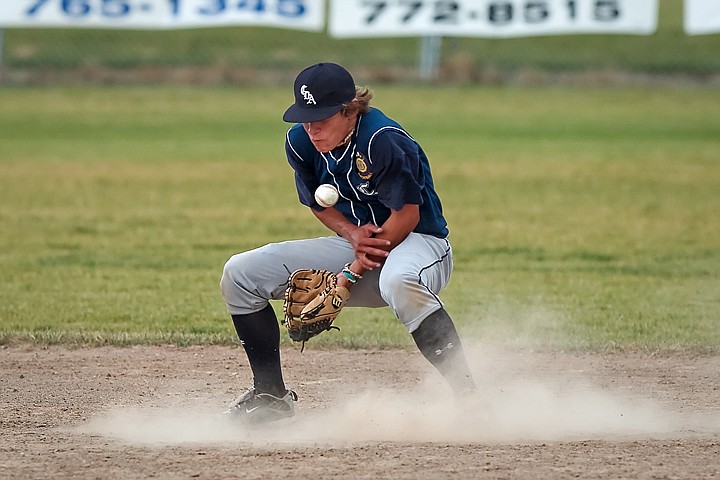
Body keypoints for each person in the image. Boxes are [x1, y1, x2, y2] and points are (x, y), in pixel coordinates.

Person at [220, 62, 476, 424]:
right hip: (358, 244)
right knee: (240, 273)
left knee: (399, 281)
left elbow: (406, 216)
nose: (312, 128)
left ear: (349, 108)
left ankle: (469, 398)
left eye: (321, 118)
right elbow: (315, 202)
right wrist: (352, 234)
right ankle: (269, 395)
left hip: (421, 245)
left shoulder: (382, 139)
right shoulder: (300, 141)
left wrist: (349, 275)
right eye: (305, 118)